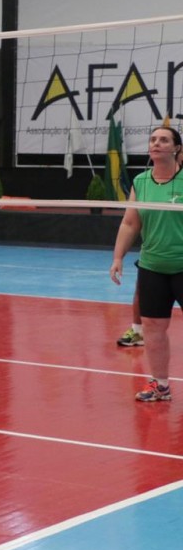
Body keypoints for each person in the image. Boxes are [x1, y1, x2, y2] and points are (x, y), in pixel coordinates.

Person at [111, 124, 183, 402]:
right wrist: (118, 257)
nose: (156, 143)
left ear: (176, 148)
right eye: (153, 139)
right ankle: (161, 386)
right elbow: (130, 223)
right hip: (152, 266)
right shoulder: (141, 182)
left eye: (164, 140)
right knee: (152, 327)